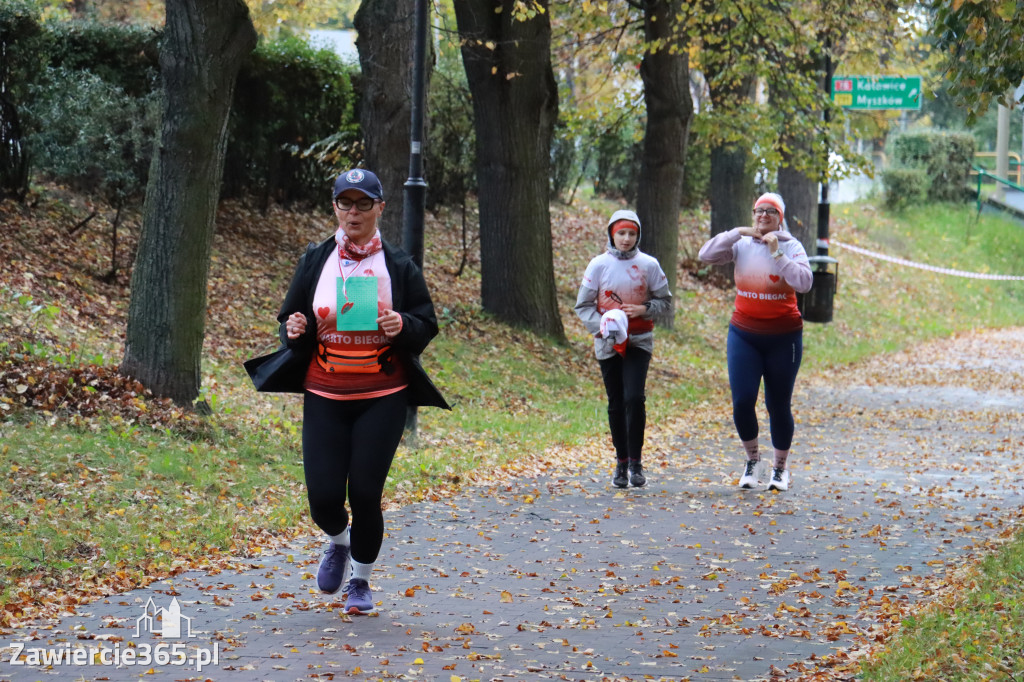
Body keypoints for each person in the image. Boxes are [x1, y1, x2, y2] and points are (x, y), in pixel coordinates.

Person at [272, 168, 449, 615]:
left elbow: (426, 322)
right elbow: (291, 321)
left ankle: (361, 583)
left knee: (366, 493)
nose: (354, 212)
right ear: (335, 207)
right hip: (325, 392)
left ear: (379, 208)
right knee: (323, 498)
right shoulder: (316, 259)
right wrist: (293, 330)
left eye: (363, 203)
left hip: (382, 394)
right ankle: (338, 541)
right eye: (345, 203)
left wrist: (402, 325)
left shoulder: (398, 264)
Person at [698, 192, 812, 492]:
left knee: (777, 404)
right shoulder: (741, 243)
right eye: (758, 211)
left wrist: (778, 254)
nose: (763, 216)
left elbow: (805, 283)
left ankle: (780, 468)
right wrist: (735, 232)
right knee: (742, 401)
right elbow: (705, 255)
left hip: (783, 336)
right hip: (744, 334)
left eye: (770, 212)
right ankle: (752, 461)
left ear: (780, 218)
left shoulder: (791, 246)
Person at [575, 209, 672, 489]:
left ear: (638, 235)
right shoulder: (597, 265)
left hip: (639, 341)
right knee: (616, 402)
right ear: (611, 234)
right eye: (621, 233)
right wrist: (603, 326)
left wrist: (644, 308)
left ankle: (636, 463)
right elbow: (582, 306)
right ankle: (621, 462)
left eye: (632, 233)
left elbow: (665, 302)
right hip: (607, 344)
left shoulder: (649, 265)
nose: (626, 238)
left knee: (634, 398)